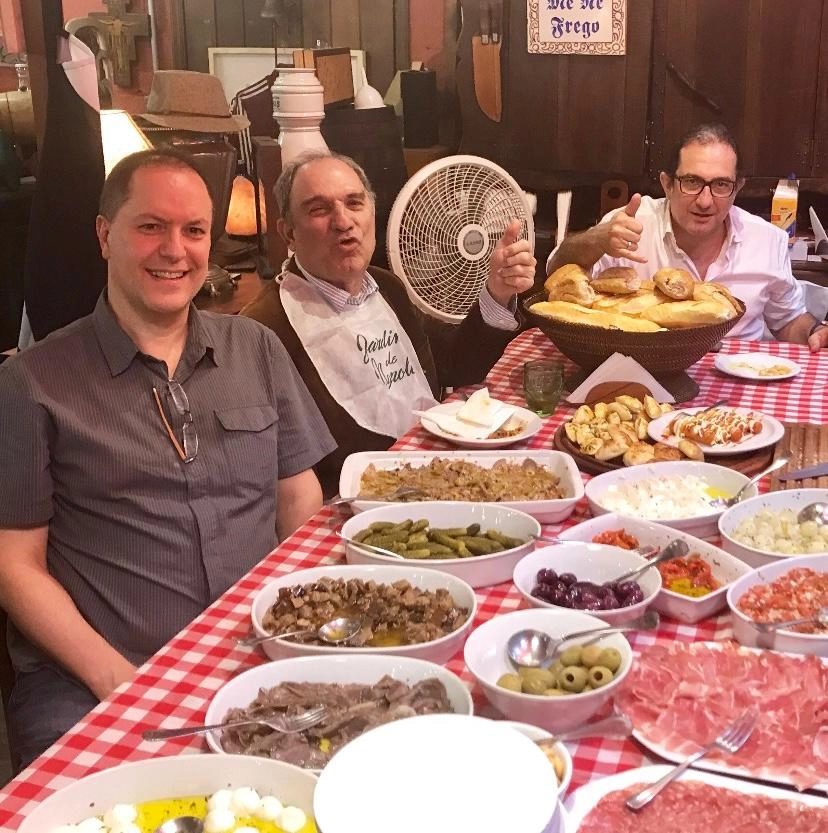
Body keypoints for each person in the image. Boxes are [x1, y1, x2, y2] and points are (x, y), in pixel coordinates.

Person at [0, 148, 335, 769]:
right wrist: (119, 682)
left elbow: (299, 498)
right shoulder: (33, 382)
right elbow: (15, 566)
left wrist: (300, 629)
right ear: (106, 235)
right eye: (150, 226)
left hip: (255, 650)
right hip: (95, 677)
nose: (174, 249)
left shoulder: (254, 348)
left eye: (193, 230)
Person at [240, 151, 537, 497]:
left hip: (441, 473)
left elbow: (457, 364)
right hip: (354, 502)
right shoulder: (262, 328)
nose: (343, 221)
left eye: (354, 203)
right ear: (288, 233)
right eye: (319, 209)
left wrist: (497, 292)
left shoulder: (388, 287)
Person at [547, 123, 828, 351]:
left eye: (720, 185)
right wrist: (594, 240)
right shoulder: (629, 224)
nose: (705, 201)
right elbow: (556, 274)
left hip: (737, 387)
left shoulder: (766, 240)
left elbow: (789, 320)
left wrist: (816, 332)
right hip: (644, 372)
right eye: (691, 182)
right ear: (667, 184)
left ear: (737, 187)